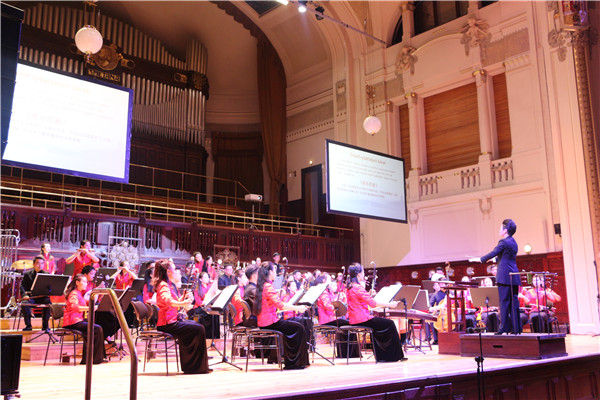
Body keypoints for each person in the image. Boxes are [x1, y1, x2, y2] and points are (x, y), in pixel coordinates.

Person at [153, 259, 210, 374]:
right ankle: (195, 367)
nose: (176, 272)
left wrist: (183, 298)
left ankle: (193, 366)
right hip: (167, 324)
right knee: (199, 328)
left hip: (171, 321)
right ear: (168, 271)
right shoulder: (163, 285)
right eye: (174, 270)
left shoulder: (168, 284)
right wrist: (183, 303)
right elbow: (167, 301)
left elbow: (173, 302)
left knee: (196, 326)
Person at [470, 218, 521, 335]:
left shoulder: (503, 241)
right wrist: (495, 260)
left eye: (500, 228)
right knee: (513, 302)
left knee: (504, 302)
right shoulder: (513, 242)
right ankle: (516, 328)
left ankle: (504, 328)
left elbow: (494, 252)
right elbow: (505, 257)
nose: (499, 230)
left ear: (505, 230)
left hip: (504, 276)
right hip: (513, 275)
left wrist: (480, 259)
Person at [254, 262, 309, 369]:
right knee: (299, 327)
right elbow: (280, 305)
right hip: (270, 322)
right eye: (274, 270)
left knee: (295, 327)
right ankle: (294, 363)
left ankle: (294, 361)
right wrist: (298, 308)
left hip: (264, 322)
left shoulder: (261, 285)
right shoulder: (268, 286)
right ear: (270, 272)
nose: (276, 273)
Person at [346, 263, 404, 362]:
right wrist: (390, 304)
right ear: (359, 274)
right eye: (363, 272)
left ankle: (382, 356)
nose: (364, 274)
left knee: (380, 326)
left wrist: (368, 295)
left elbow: (359, 300)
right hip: (363, 319)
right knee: (390, 323)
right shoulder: (358, 287)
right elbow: (373, 303)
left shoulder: (349, 287)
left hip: (354, 319)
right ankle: (393, 356)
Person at [63, 274, 105, 364]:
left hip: (78, 320)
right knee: (97, 328)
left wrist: (98, 294)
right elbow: (75, 307)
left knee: (95, 329)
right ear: (77, 282)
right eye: (84, 282)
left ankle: (90, 359)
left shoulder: (79, 293)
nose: (86, 284)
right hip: (72, 321)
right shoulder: (74, 293)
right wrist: (89, 308)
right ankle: (94, 359)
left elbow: (87, 302)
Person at [81, 265, 118, 343]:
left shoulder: (92, 284)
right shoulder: (81, 284)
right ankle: (104, 336)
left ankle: (105, 334)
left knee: (112, 316)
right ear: (85, 274)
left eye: (94, 274)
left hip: (94, 306)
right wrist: (97, 289)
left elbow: (97, 298)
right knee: (103, 314)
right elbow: (85, 298)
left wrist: (101, 292)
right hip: (86, 308)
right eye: (91, 274)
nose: (93, 276)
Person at [19, 256, 51, 332]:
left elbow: (49, 287)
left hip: (42, 297)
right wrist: (24, 295)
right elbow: (22, 286)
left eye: (42, 263)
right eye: (38, 263)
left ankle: (45, 326)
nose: (40, 265)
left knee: (48, 303)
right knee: (24, 304)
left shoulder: (46, 274)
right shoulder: (27, 274)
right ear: (33, 264)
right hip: (31, 297)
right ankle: (28, 325)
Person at [188, 271, 220, 339]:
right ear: (200, 279)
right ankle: (207, 335)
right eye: (205, 277)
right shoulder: (197, 289)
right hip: (199, 307)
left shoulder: (210, 287)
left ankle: (215, 335)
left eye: (207, 277)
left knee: (216, 313)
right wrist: (205, 303)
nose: (207, 279)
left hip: (208, 306)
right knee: (208, 313)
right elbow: (198, 302)